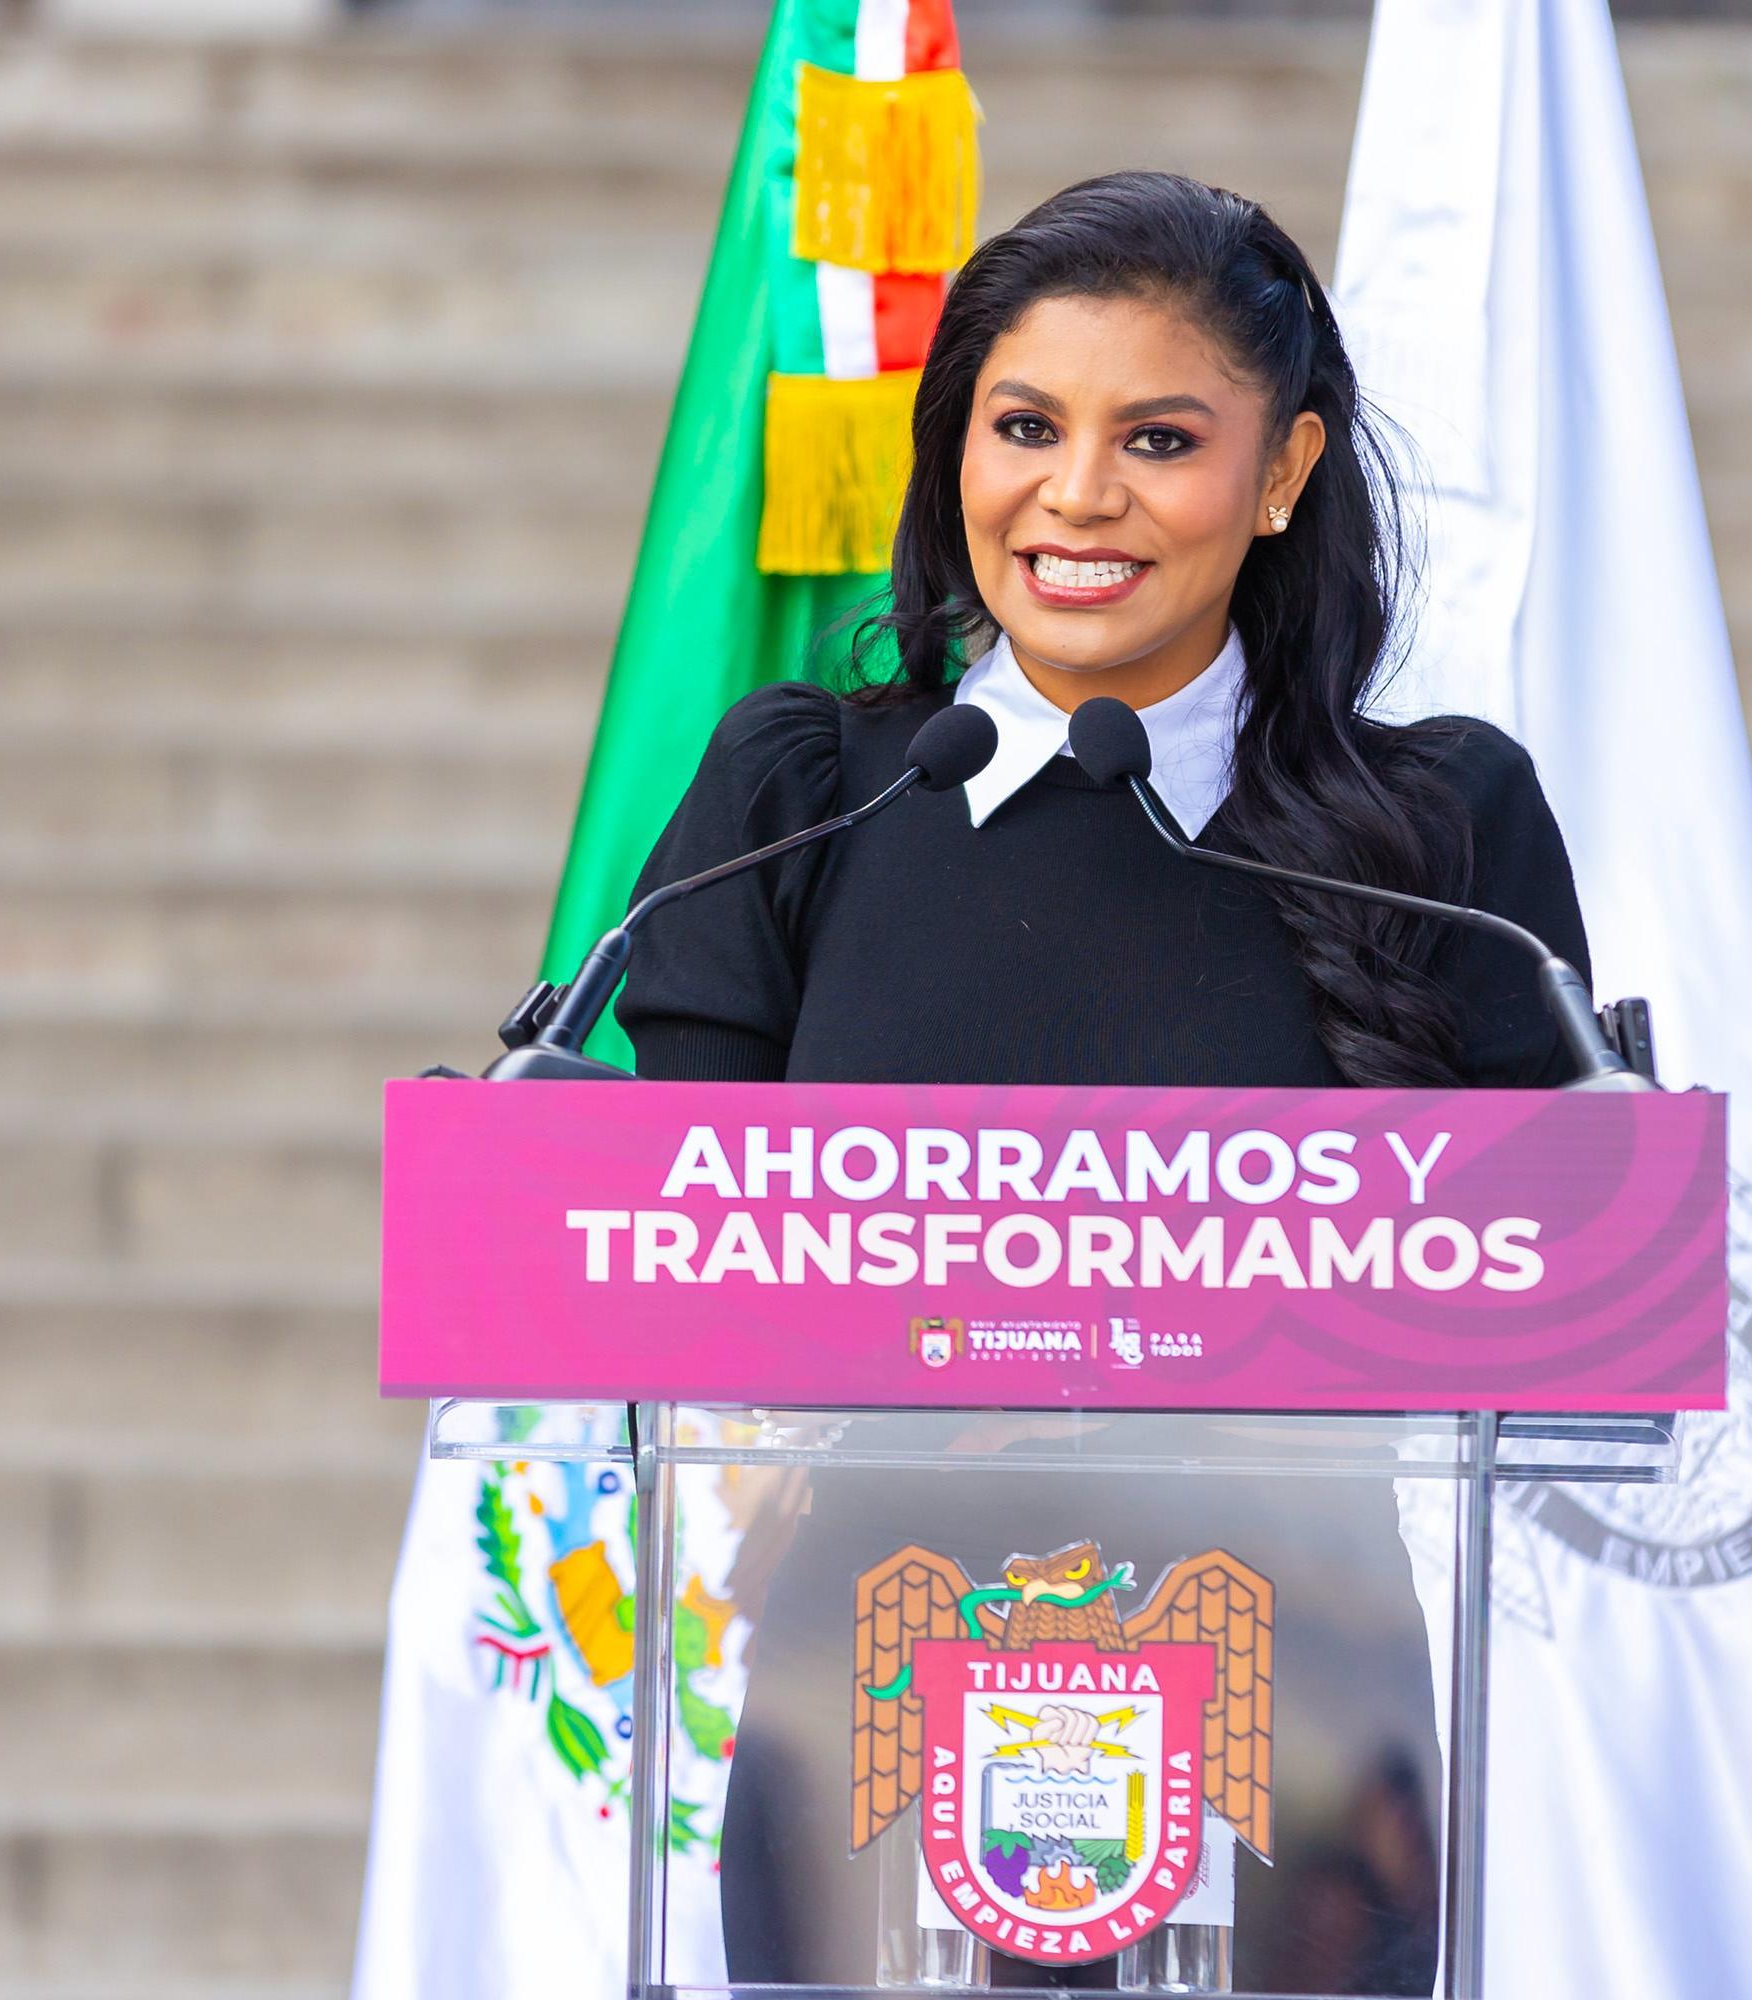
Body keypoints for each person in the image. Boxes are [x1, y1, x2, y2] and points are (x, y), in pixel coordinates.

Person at [614, 171, 1594, 1989]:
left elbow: (1565, 1273)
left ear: (1285, 471)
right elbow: (674, 1278)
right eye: (1021, 427)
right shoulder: (801, 803)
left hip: (1308, 1751)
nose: (1075, 497)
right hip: (865, 1735)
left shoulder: (1440, 833)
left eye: (1158, 436)